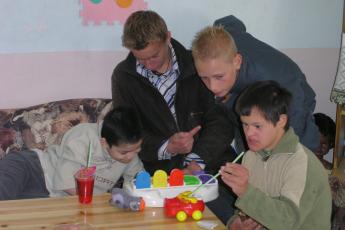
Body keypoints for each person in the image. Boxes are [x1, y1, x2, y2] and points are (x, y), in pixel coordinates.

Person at [111, 10, 236, 224]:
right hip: (159, 175)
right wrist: (166, 147)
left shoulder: (196, 64)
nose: (148, 65)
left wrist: (197, 159)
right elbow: (126, 133)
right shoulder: (124, 77)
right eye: (141, 59)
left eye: (153, 56)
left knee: (225, 213)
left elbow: (221, 121)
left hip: (211, 162)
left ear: (167, 37)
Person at [191, 15, 319, 153]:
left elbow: (296, 119)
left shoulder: (270, 79)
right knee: (248, 151)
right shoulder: (225, 39)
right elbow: (231, 22)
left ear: (237, 61)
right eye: (204, 78)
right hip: (245, 93)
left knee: (295, 151)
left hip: (293, 97)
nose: (212, 87)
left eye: (219, 77)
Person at [219, 81, 332, 229]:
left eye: (257, 126)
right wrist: (235, 223)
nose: (248, 133)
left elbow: (288, 222)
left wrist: (245, 191)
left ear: (281, 121)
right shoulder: (251, 156)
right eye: (245, 124)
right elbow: (246, 210)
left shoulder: (301, 163)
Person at [0, 107, 144, 199]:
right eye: (124, 152)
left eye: (137, 149)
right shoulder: (83, 137)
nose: (131, 156)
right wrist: (105, 201)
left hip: (48, 196)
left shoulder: (130, 153)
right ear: (104, 142)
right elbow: (69, 185)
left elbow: (140, 185)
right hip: (32, 168)